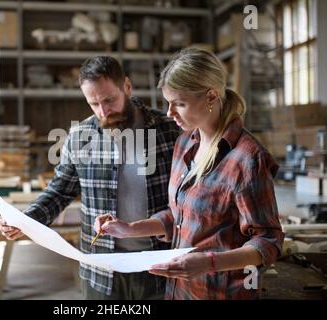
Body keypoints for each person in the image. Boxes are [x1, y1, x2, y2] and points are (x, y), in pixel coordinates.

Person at [95, 48, 284, 300]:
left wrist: (209, 263)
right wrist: (130, 229)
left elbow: (268, 239)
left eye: (179, 104)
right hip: (180, 290)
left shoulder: (247, 158)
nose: (170, 113)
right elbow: (181, 216)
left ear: (211, 96)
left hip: (221, 293)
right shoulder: (185, 143)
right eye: (168, 103)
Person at [0, 56, 180, 299]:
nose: (103, 111)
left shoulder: (168, 130)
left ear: (127, 86)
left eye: (109, 100)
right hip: (101, 268)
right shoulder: (81, 136)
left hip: (159, 263)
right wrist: (25, 220)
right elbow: (60, 191)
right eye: (93, 103)